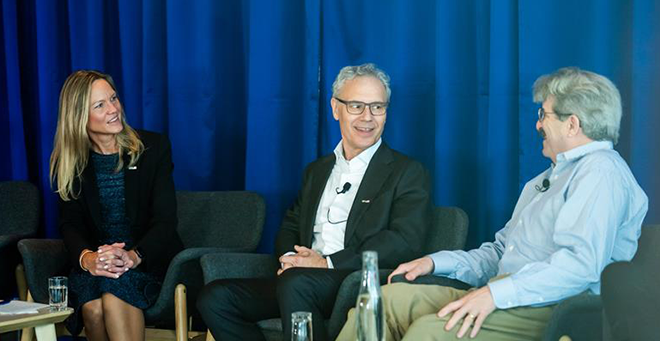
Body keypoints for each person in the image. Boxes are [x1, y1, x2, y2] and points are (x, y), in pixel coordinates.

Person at [338, 67, 648, 340]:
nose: (538, 125)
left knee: (430, 333)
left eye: (544, 115)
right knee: (382, 303)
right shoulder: (544, 181)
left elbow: (580, 266)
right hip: (504, 293)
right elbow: (500, 254)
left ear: (572, 124)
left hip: (552, 308)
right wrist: (434, 262)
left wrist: (494, 295)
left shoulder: (601, 172)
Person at [197, 63, 432, 341]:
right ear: (335, 108)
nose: (368, 117)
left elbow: (405, 240)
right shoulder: (317, 170)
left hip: (353, 280)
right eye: (356, 106)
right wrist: (291, 259)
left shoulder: (406, 171)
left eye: (377, 107)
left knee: (297, 284)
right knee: (216, 297)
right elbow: (291, 224)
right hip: (301, 279)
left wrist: (327, 263)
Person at [50, 70, 183, 341]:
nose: (114, 109)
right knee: (94, 308)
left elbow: (166, 221)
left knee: (111, 297)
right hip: (95, 267)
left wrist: (133, 257)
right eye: (100, 105)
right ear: (79, 117)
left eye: (113, 98)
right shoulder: (71, 162)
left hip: (145, 264)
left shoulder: (152, 148)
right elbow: (70, 224)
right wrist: (88, 259)